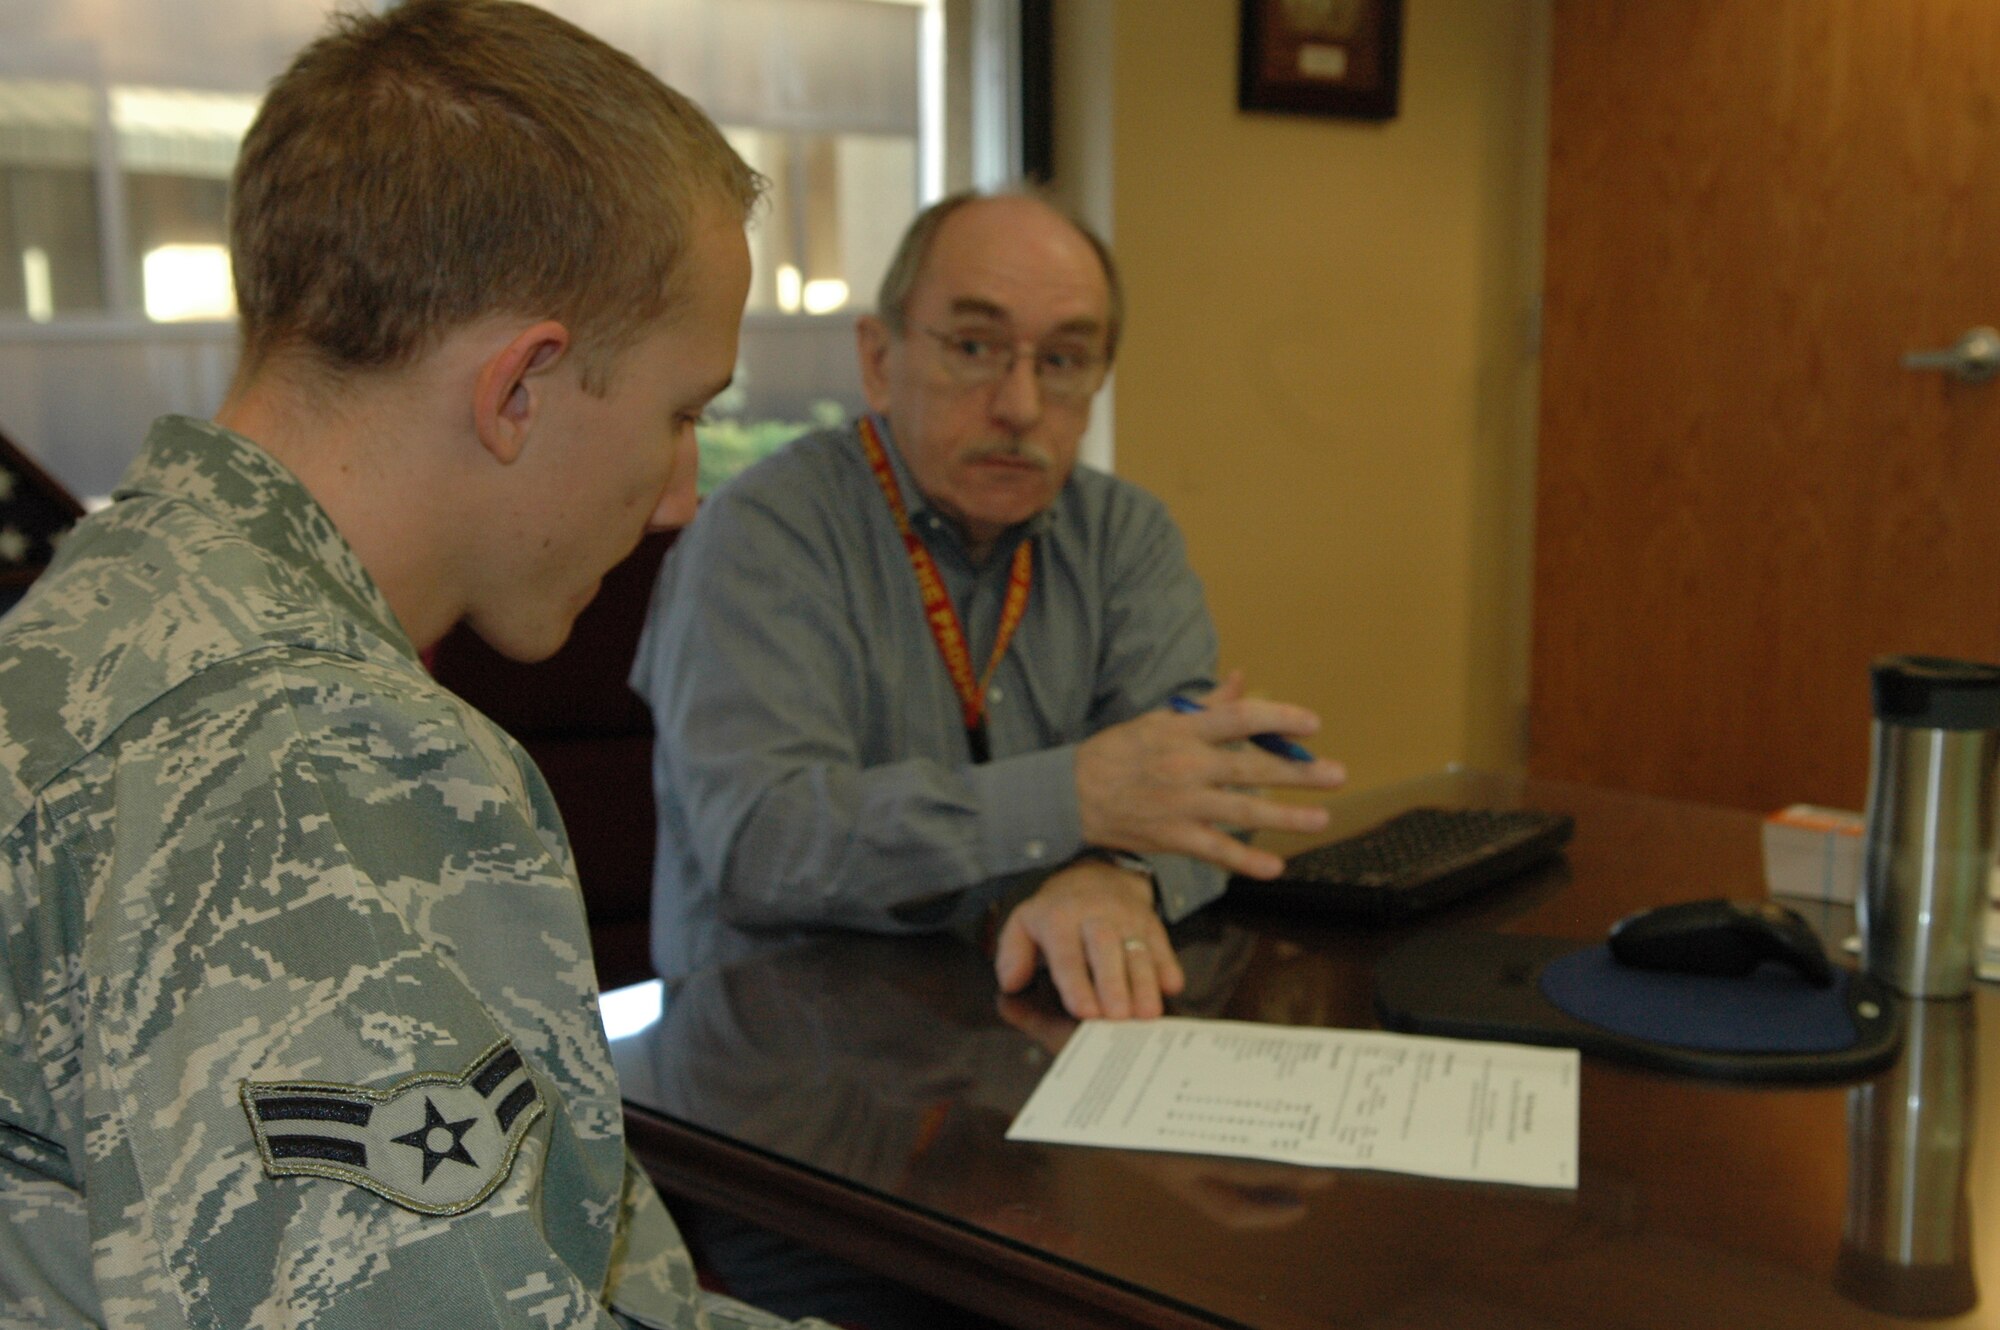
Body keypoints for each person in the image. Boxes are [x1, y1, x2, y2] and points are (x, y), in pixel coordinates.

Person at [0, 3, 836, 1326]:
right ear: (520, 388)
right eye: (682, 411)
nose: (681, 493)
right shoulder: (320, 756)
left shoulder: (102, 618)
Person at [634, 191, 1349, 1024]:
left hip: (1022, 1033)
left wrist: (1115, 871)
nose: (1018, 406)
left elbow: (1198, 794)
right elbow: (764, 844)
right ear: (877, 358)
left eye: (1063, 360)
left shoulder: (1125, 536)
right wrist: (1074, 798)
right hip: (789, 1065)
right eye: (975, 347)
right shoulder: (763, 535)